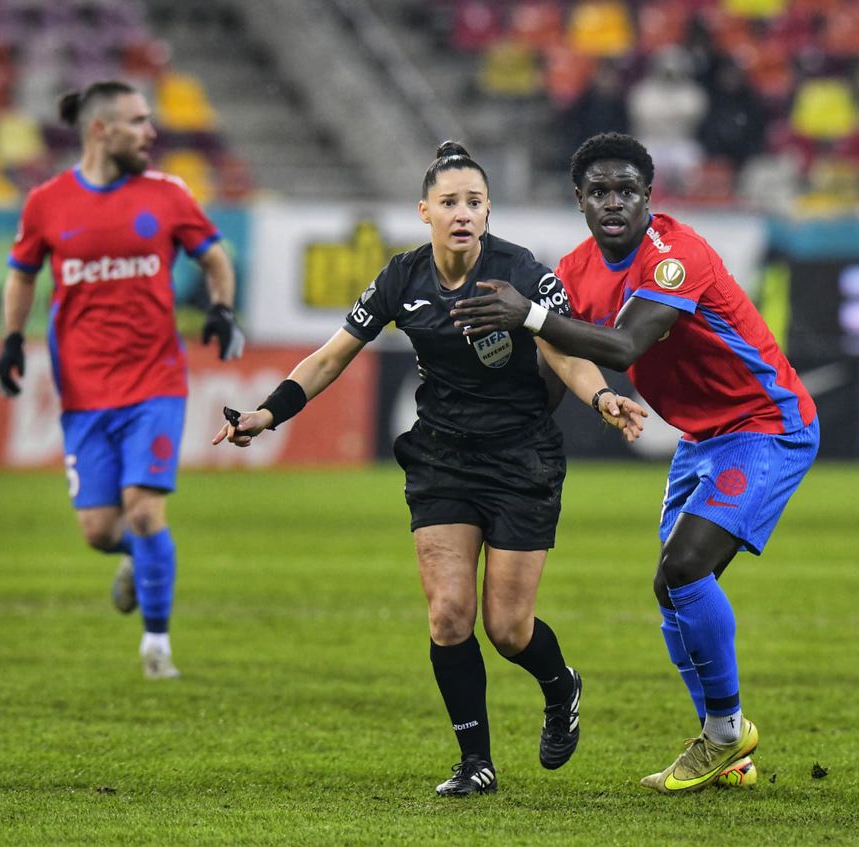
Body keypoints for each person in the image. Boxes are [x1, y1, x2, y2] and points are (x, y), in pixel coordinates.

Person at [214, 142, 646, 797]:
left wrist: (604, 396)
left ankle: (561, 685)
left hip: (521, 459)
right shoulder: (402, 279)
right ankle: (475, 761)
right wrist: (267, 414)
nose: (462, 212)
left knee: (507, 628)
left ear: (488, 210)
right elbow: (331, 357)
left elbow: (565, 355)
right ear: (425, 211)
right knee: (448, 614)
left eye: (474, 201)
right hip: (442, 457)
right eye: (449, 202)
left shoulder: (522, 274)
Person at [449, 132, 819, 793]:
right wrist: (507, 422)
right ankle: (724, 744)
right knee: (671, 586)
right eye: (600, 192)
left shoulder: (677, 256)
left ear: (649, 197)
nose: (614, 202)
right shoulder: (573, 269)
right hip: (703, 435)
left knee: (683, 568)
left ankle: (727, 733)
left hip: (767, 423)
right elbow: (557, 363)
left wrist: (529, 313)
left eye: (627, 190)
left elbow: (622, 346)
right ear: (580, 200)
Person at [0, 80, 245, 680]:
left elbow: (214, 256)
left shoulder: (166, 194)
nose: (150, 132)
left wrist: (221, 308)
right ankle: (143, 557)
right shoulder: (48, 203)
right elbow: (22, 274)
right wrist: (9, 339)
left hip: (155, 381)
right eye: (137, 122)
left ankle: (156, 647)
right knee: (98, 531)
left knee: (142, 510)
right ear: (100, 129)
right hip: (83, 393)